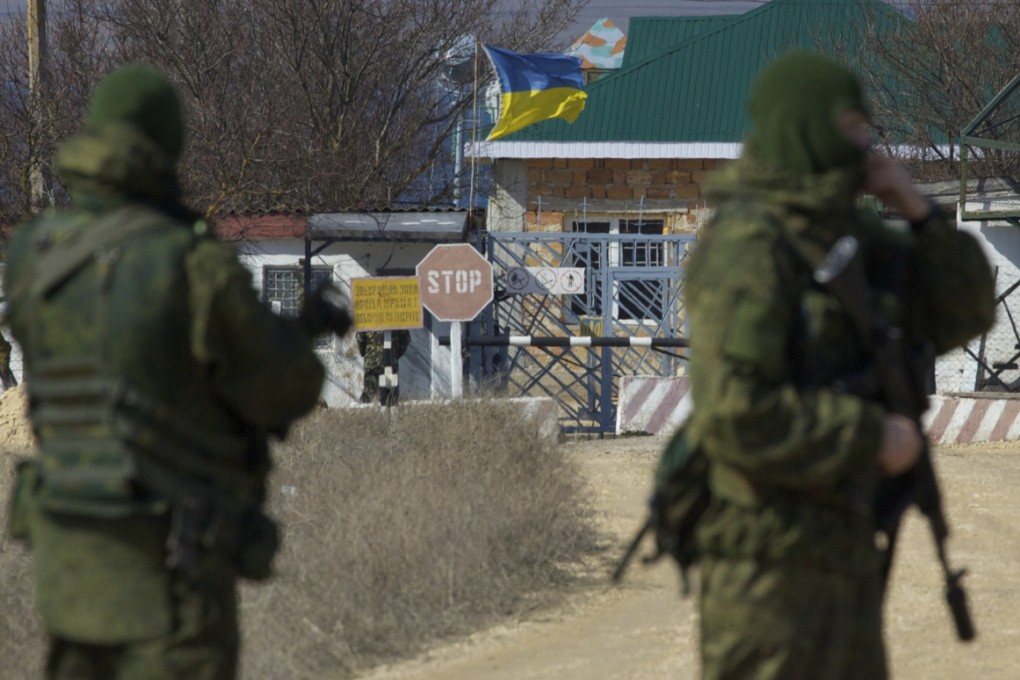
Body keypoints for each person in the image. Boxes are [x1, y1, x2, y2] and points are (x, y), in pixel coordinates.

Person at [3, 64, 349, 679]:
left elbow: (108, 355)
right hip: (173, 564)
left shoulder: (34, 255)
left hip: (69, 557)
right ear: (169, 145)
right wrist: (301, 334)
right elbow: (284, 388)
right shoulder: (192, 263)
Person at [683, 51, 994, 679]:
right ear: (805, 126)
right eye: (851, 126)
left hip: (844, 554)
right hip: (768, 579)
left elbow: (963, 315)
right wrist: (873, 436)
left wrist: (919, 209)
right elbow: (736, 415)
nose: (864, 143)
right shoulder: (749, 246)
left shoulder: (852, 240)